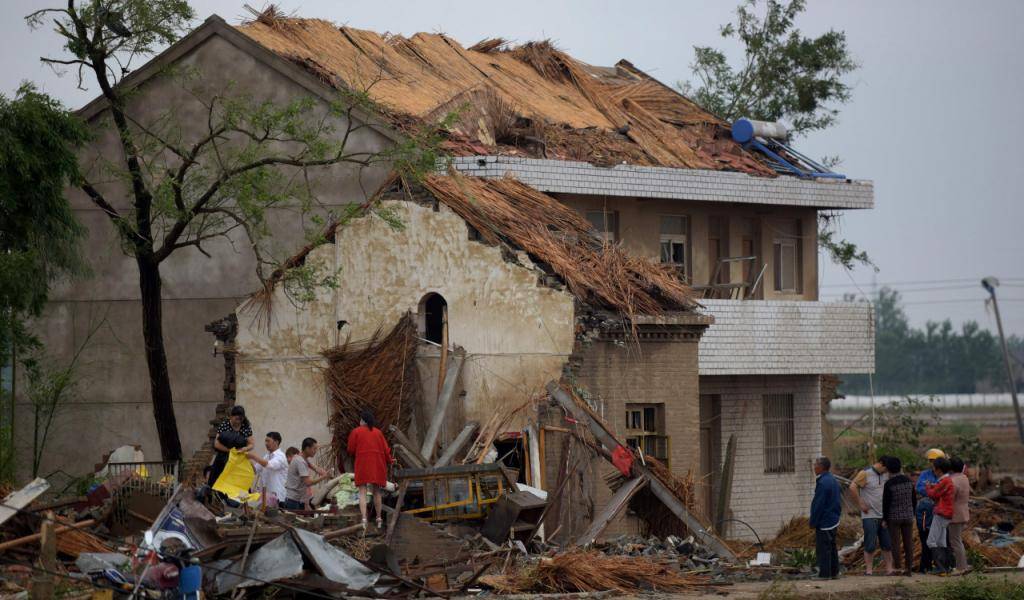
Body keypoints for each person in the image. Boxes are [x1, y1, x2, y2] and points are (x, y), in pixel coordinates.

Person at [347, 409, 394, 531]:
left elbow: (350, 449)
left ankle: (364, 519)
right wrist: (390, 460)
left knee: (362, 492)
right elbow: (386, 450)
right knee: (377, 492)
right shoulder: (378, 433)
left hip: (362, 464)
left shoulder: (356, 432)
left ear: (362, 420)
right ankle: (379, 519)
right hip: (377, 465)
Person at [849, 457, 893, 575]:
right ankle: (869, 571)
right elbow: (852, 487)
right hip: (870, 515)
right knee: (870, 544)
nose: (886, 471)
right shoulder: (865, 473)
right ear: (881, 464)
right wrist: (860, 503)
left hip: (884, 515)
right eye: (886, 469)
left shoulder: (886, 474)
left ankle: (889, 570)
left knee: (887, 544)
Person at [881, 456, 917, 576]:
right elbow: (914, 499)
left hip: (894, 517)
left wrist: (884, 519)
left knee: (895, 543)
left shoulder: (889, 484)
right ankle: (909, 568)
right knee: (908, 543)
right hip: (908, 516)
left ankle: (897, 568)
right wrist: (913, 513)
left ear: (888, 469)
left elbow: (886, 503)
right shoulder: (908, 481)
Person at [207, 406, 255, 490]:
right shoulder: (224, 425)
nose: (238, 422)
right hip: (223, 457)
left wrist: (245, 449)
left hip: (239, 459)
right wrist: (231, 451)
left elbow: (251, 444)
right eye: (236, 419)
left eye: (240, 420)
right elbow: (216, 444)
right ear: (231, 416)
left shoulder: (246, 427)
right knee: (217, 481)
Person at [809, 456, 842, 580]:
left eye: (815, 465)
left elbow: (818, 504)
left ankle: (824, 574)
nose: (814, 467)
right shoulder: (832, 479)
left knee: (823, 548)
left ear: (821, 467)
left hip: (825, 520)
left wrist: (813, 521)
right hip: (833, 518)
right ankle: (834, 572)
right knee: (832, 546)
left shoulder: (823, 482)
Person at [915, 448, 945, 573]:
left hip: (940, 513)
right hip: (925, 513)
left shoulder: (945, 476)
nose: (932, 463)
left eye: (934, 461)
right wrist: (932, 492)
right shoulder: (925, 474)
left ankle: (941, 566)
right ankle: (925, 567)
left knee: (940, 541)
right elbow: (919, 487)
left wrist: (932, 490)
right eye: (931, 461)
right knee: (925, 539)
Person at [925, 457, 955, 574]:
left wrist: (928, 486)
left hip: (942, 512)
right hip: (947, 513)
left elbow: (933, 494)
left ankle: (940, 567)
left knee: (931, 541)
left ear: (939, 470)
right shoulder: (947, 480)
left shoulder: (944, 481)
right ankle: (946, 567)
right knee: (941, 541)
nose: (933, 470)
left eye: (934, 468)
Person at [283, 437, 330, 510]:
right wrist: (323, 477)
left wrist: (324, 472)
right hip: (293, 501)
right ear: (307, 448)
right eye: (314, 449)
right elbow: (308, 483)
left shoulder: (301, 458)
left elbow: (314, 467)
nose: (316, 451)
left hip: (297, 499)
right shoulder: (300, 462)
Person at [248, 432, 287, 507]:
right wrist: (248, 461)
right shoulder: (267, 456)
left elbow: (269, 465)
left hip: (277, 498)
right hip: (265, 497)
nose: (266, 443)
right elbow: (255, 470)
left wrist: (253, 456)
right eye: (265, 441)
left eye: (268, 441)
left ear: (276, 442)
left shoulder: (281, 456)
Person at [948, 457, 971, 573]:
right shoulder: (964, 478)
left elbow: (950, 498)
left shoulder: (953, 480)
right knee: (958, 540)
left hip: (955, 514)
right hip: (963, 512)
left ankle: (961, 567)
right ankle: (962, 565)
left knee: (955, 541)